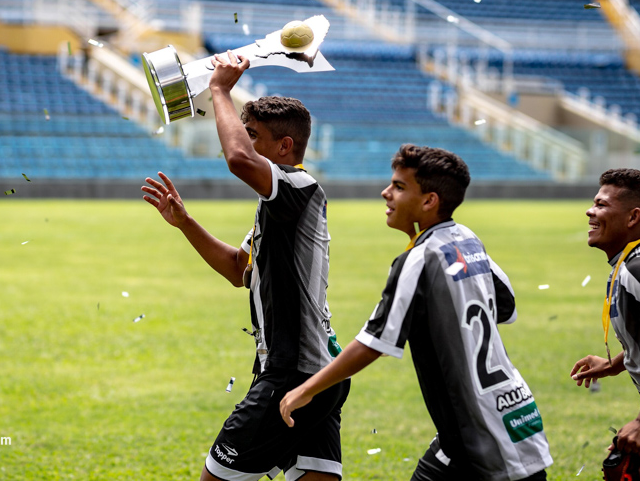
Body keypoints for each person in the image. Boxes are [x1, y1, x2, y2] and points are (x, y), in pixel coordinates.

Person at [279, 144, 553, 481]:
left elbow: (373, 342)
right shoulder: (467, 239)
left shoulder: (420, 259)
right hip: (513, 412)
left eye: (399, 186)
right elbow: (505, 304)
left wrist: (306, 389)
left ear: (429, 201)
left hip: (480, 437)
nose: (386, 193)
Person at [142, 50, 349, 481]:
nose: (243, 140)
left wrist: (219, 89)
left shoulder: (296, 185)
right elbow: (239, 268)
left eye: (253, 134)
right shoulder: (279, 205)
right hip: (321, 371)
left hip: (292, 373)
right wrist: (185, 223)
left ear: (284, 146)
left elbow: (238, 160)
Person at [570, 168, 640, 458]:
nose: (589, 212)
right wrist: (617, 363)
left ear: (633, 217)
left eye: (601, 205)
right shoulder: (629, 262)